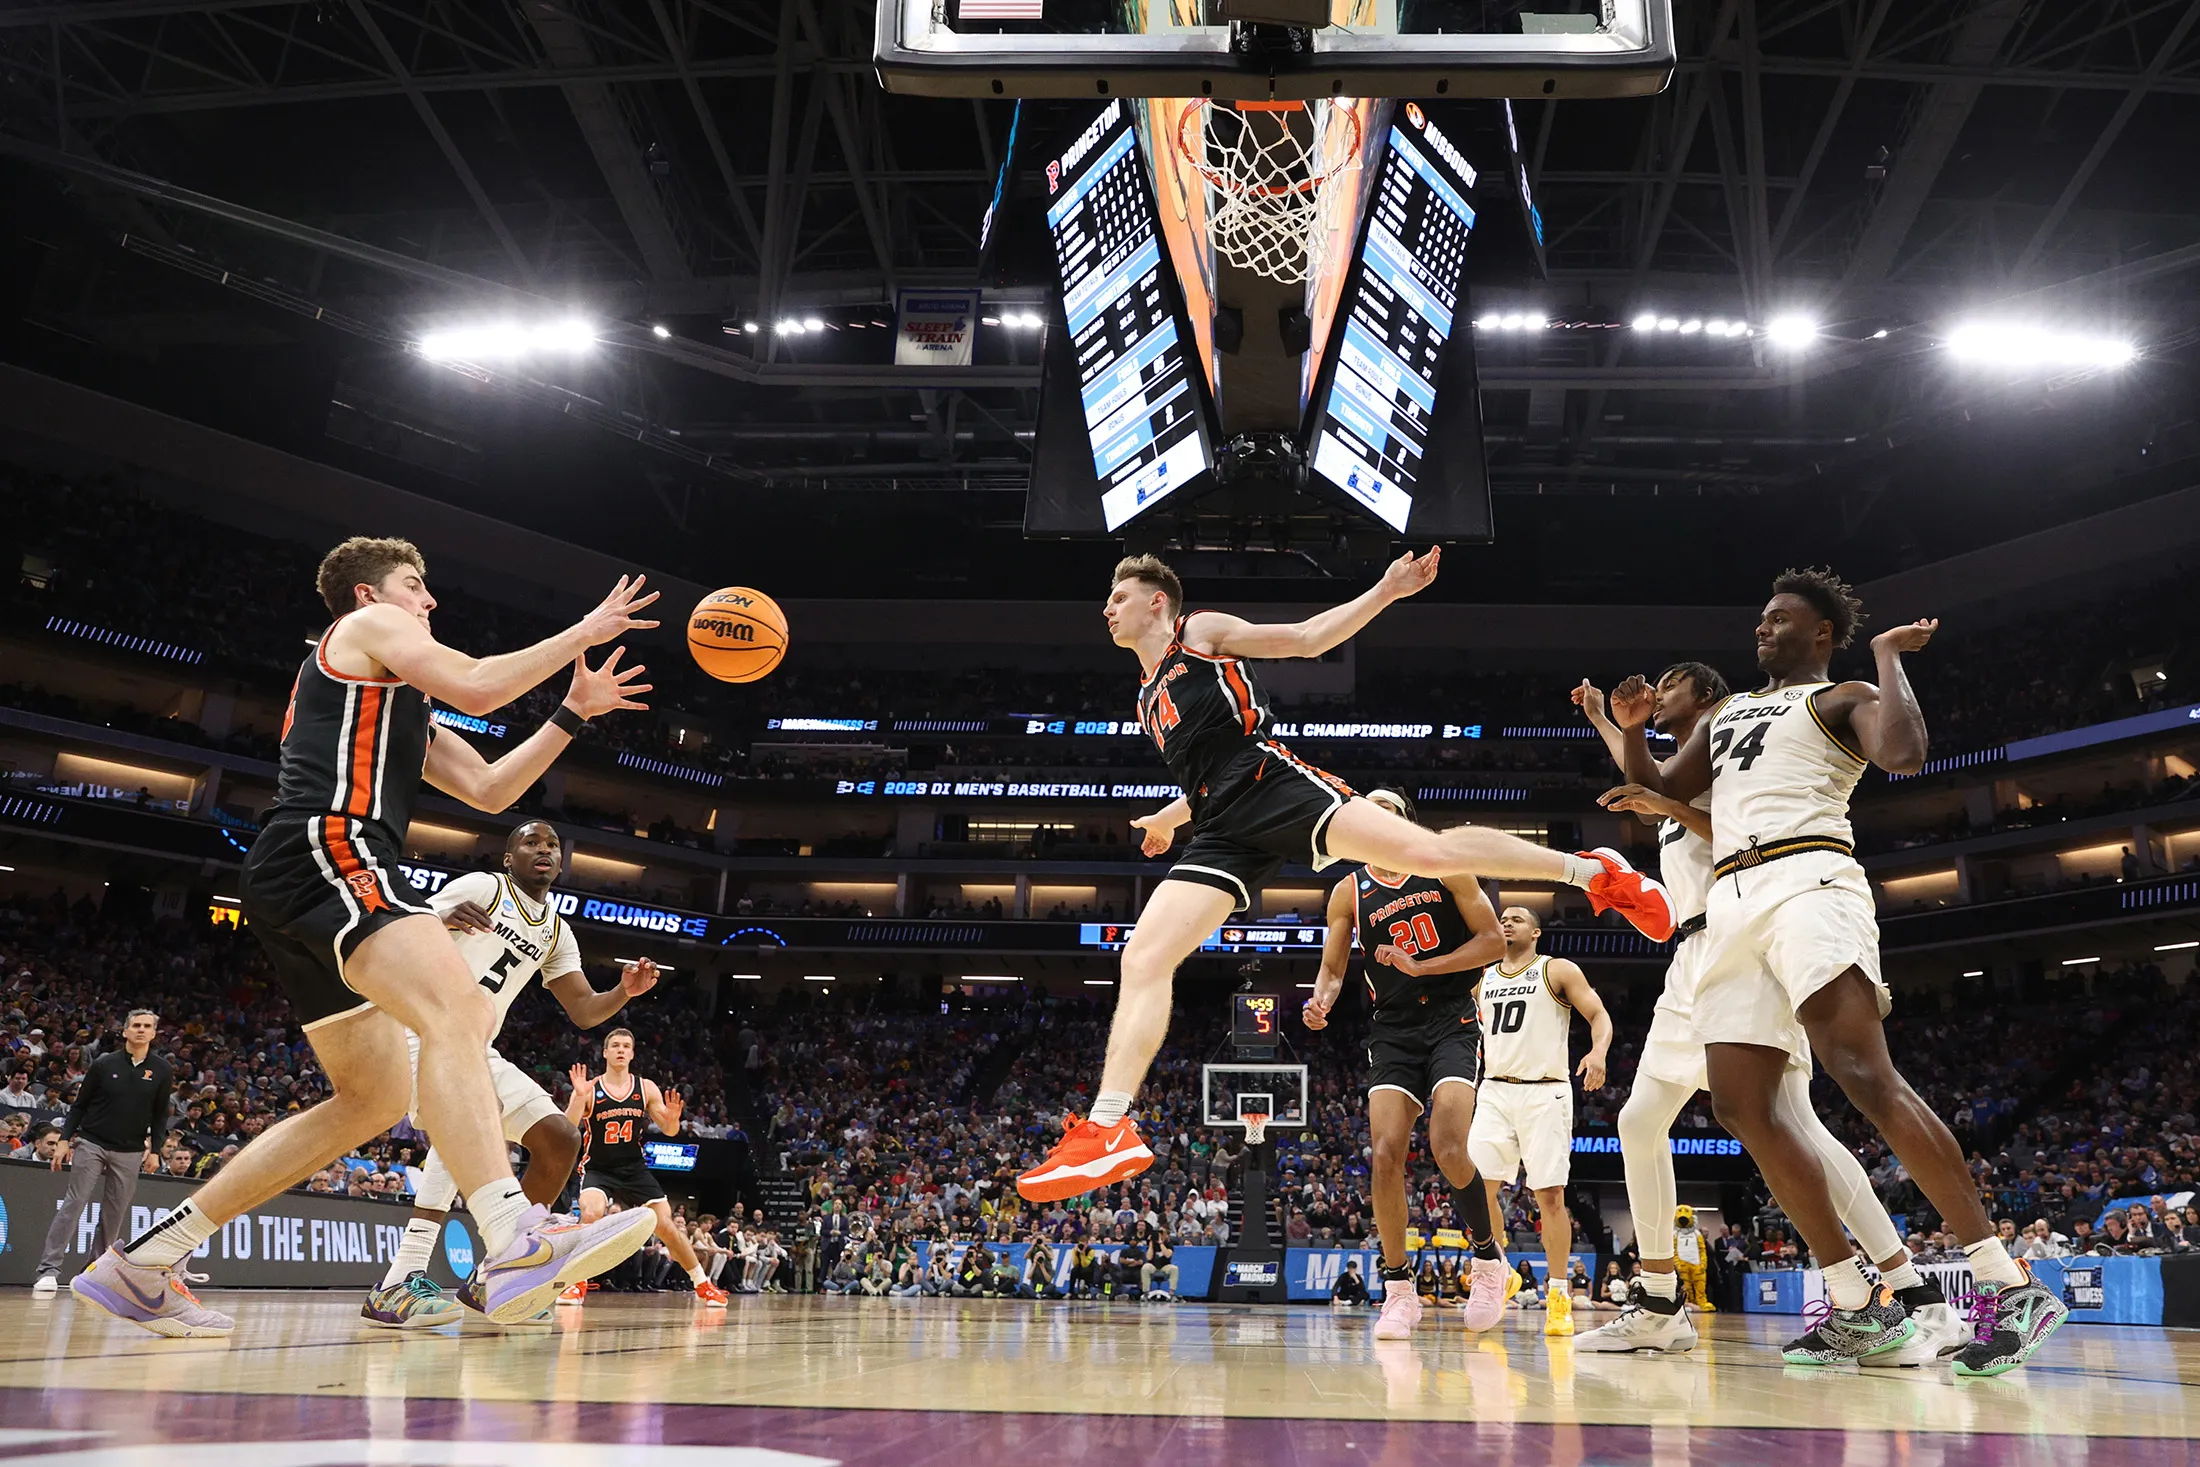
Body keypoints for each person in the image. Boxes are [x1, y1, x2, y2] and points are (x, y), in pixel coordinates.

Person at [71, 539, 661, 1335]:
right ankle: (516, 1234)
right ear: (365, 596)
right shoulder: (368, 629)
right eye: (416, 587)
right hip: (329, 848)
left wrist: (570, 713)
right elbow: (480, 685)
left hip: (304, 873)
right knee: (459, 1012)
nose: (428, 602)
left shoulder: (400, 703)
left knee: (373, 1098)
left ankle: (141, 1263)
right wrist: (585, 630)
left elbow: (490, 788)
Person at [1016, 552, 1677, 1203]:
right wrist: (1173, 812)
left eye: (1119, 596)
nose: (1107, 607)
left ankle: (1591, 871)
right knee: (1144, 953)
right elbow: (1203, 773)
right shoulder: (1144, 696)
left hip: (1271, 785)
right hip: (1221, 824)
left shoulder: (1199, 634)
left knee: (1432, 856)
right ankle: (1108, 1127)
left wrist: (1387, 589)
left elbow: (1307, 640)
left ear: (1157, 601)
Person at [1609, 566, 2069, 1376]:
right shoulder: (1728, 713)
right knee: (1740, 1105)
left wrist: (1891, 657)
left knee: (1861, 1071)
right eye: (1760, 616)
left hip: (1810, 878)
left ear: (1820, 631)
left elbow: (1905, 752)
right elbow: (1655, 788)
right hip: (1732, 899)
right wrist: (1637, 730)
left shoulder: (1842, 694)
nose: (1763, 627)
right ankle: (1855, 1302)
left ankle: (2008, 1278)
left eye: (1779, 618)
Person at [1573, 666, 1957, 1362]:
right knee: (1638, 1120)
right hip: (1692, 955)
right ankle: (1660, 1301)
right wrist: (1608, 722)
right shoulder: (1686, 767)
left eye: (1669, 686)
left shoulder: (1740, 751)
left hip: (1746, 938)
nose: (1657, 696)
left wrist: (1664, 800)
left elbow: (1742, 834)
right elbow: (1650, 781)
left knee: (1797, 1123)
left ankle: (1910, 1289)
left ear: (1708, 694)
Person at [360, 820, 710, 1326]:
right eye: (531, 842)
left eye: (552, 845)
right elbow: (394, 928)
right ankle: (406, 1279)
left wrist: (624, 993)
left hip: (475, 1047)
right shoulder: (485, 887)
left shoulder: (555, 930)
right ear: (509, 858)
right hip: (415, 1030)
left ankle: (491, 1279)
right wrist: (439, 922)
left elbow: (585, 1010)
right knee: (465, 1130)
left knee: (560, 1138)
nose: (544, 849)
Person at [1305, 787, 1512, 1342]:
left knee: (1448, 1145)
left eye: (1391, 814)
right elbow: (1332, 967)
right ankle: (1399, 1292)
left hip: (1451, 1018)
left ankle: (1489, 1261)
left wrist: (1425, 968)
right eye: (1372, 814)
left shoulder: (1446, 868)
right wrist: (1320, 1000)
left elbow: (1493, 942)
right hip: (1393, 1029)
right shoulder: (1348, 890)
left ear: (1407, 824)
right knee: (1385, 1155)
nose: (1381, 822)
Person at [1468, 906, 1611, 1339]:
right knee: (1476, 1190)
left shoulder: (1556, 969)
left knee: (1550, 1195)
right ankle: (1500, 1271)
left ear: (1536, 931)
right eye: (1502, 917)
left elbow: (1599, 1015)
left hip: (1545, 1090)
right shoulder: (1482, 978)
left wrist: (1599, 1051)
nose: (1506, 922)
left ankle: (1558, 1294)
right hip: (1493, 1089)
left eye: (1516, 918)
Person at [561, 1029, 721, 1307]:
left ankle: (703, 1284)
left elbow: (670, 1131)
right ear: (606, 1052)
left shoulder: (645, 1088)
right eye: (615, 1046)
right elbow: (568, 1127)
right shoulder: (592, 1088)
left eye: (626, 1046)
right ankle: (577, 1283)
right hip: (599, 1167)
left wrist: (672, 1119)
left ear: (632, 1054)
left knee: (667, 1227)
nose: (621, 1050)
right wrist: (577, 1096)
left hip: (634, 1169)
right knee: (590, 1213)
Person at [35, 1009, 170, 1295]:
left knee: (114, 1214)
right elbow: (80, 1105)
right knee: (74, 1203)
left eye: (147, 1026)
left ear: (154, 1033)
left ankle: (94, 1272)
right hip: (92, 1142)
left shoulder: (161, 1070)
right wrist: (64, 1139)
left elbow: (159, 1116)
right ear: (124, 1031)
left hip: (131, 1149)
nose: (141, 1030)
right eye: (136, 1025)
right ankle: (49, 1269)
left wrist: (156, 1150)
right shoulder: (104, 1063)